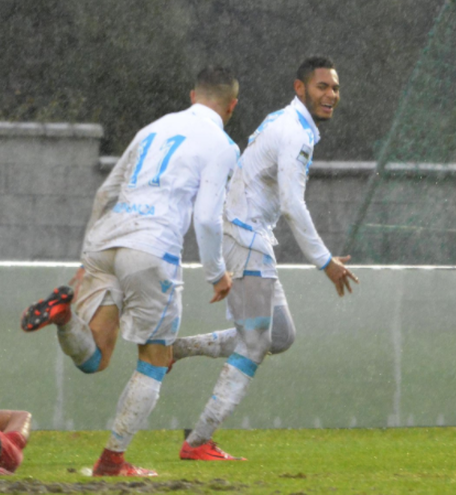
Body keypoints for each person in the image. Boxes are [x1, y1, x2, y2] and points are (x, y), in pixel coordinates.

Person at [21, 67, 241, 476]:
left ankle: (65, 318)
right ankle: (111, 461)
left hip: (105, 239)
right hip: (151, 248)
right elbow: (208, 218)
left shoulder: (153, 127)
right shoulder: (224, 145)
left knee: (96, 359)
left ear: (193, 95)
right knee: (155, 359)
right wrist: (217, 273)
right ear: (232, 106)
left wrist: (86, 258)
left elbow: (105, 191)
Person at [174, 56, 359, 461]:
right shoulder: (295, 132)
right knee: (256, 342)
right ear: (300, 88)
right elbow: (293, 204)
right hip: (245, 237)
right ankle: (198, 441)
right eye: (322, 87)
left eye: (335, 88)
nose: (331, 95)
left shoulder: (290, 124)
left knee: (279, 336)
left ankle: (178, 349)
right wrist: (325, 261)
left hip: (249, 236)